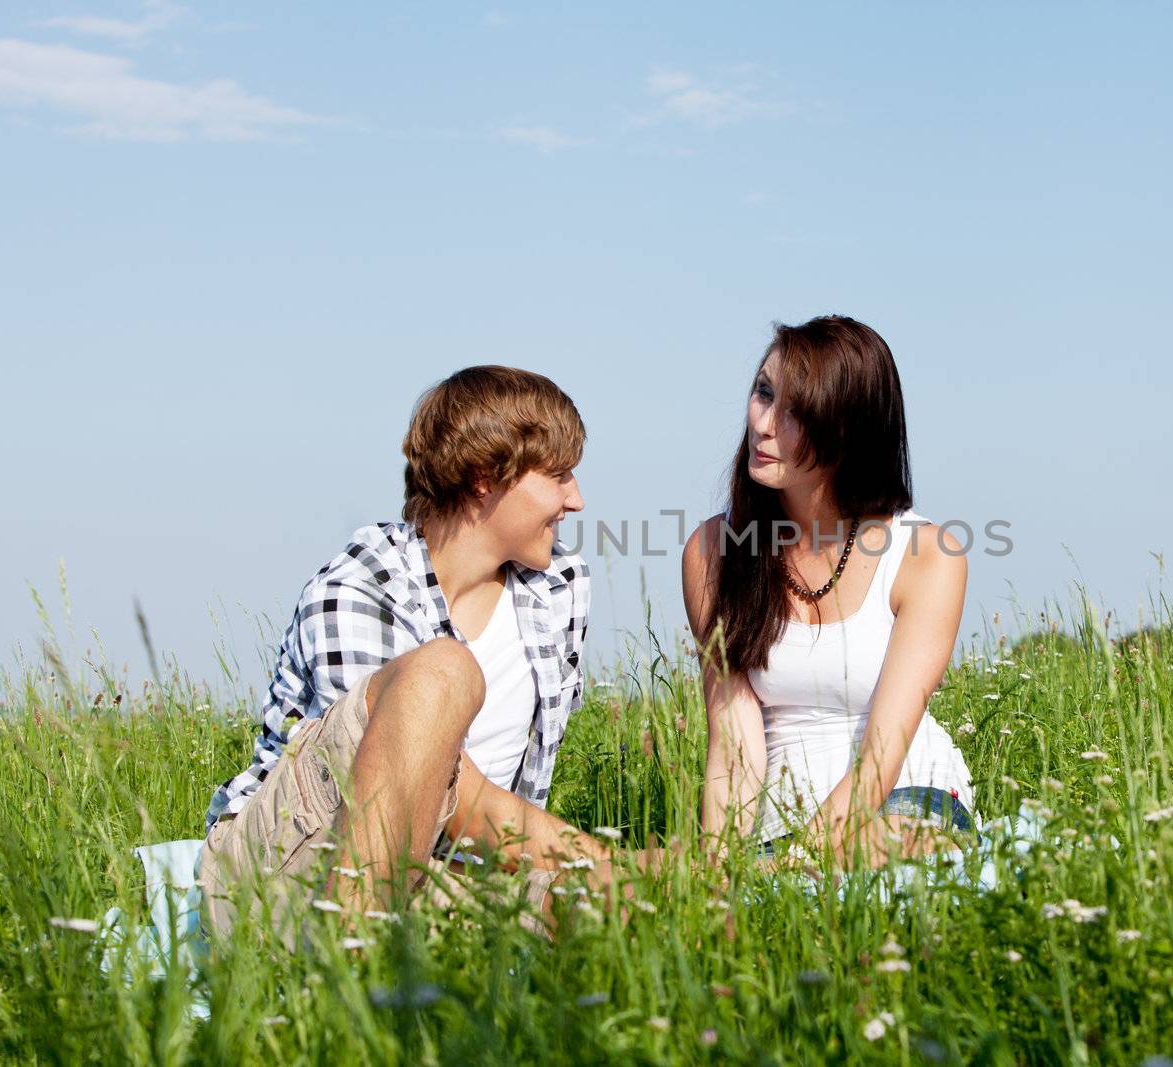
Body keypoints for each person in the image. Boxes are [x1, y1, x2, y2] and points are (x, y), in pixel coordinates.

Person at [200, 365, 611, 943]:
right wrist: (597, 863)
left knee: (639, 905)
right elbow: (437, 788)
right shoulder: (358, 589)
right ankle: (353, 984)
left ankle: (403, 961)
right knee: (443, 673)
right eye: (560, 476)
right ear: (484, 479)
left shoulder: (560, 586)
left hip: (450, 873)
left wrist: (615, 878)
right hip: (288, 869)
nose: (577, 499)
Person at [682, 316, 977, 867]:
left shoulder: (927, 554)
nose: (763, 424)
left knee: (887, 853)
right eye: (764, 392)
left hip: (902, 802)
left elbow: (882, 753)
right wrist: (718, 869)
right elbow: (735, 741)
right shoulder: (712, 552)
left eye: (795, 411)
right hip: (780, 824)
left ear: (846, 433)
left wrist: (803, 858)